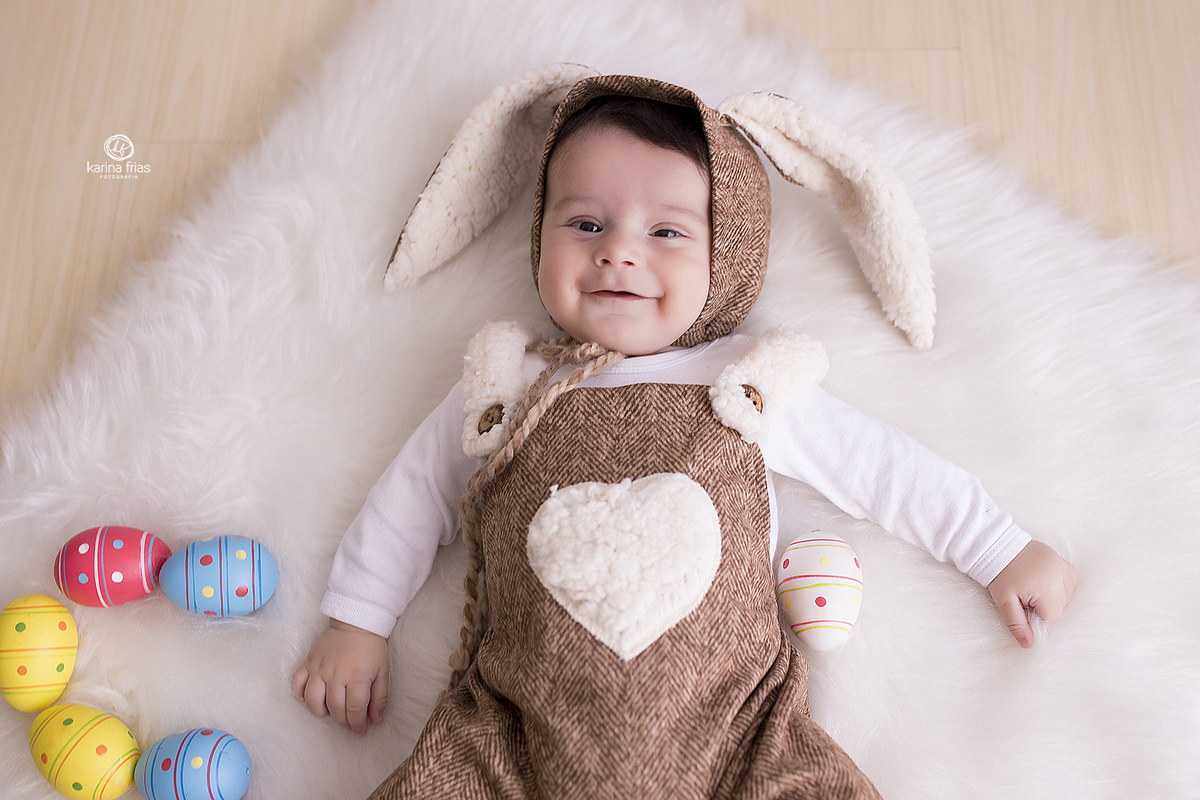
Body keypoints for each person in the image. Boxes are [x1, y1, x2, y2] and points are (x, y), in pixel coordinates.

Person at [292, 74, 1077, 798]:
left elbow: (880, 467)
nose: (617, 250)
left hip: (737, 730)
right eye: (586, 222)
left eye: (665, 232)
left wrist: (997, 548)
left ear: (727, 252)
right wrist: (359, 620)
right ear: (541, 235)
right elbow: (415, 491)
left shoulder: (745, 380)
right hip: (513, 730)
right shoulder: (507, 380)